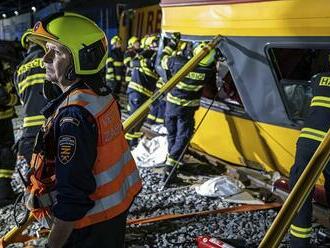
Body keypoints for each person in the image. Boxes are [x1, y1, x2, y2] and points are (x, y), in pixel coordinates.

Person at [26, 12, 142, 248]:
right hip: (113, 213)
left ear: (82, 58)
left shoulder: (73, 116)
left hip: (87, 225)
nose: (44, 59)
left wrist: (53, 244)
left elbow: (73, 199)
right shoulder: (101, 96)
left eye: (56, 52)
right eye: (45, 50)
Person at [160, 37, 216, 182]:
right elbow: (212, 91)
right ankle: (170, 167)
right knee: (183, 137)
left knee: (172, 135)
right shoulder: (208, 71)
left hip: (171, 106)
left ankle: (172, 167)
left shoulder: (178, 62)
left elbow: (161, 60)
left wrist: (171, 44)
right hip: (187, 110)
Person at [289, 73, 330, 247]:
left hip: (307, 141)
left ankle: (299, 244)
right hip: (327, 142)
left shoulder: (318, 78)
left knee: (300, 193)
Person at [13, 29, 48, 166]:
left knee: (38, 178)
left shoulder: (18, 70)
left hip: (29, 133)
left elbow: (22, 100)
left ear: (27, 45)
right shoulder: (49, 59)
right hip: (51, 126)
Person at [125, 35, 159, 147]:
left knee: (140, 121)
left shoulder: (156, 57)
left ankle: (132, 143)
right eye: (154, 43)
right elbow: (132, 62)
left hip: (146, 95)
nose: (156, 46)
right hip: (137, 92)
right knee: (134, 119)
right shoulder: (145, 55)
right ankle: (124, 144)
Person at [0, 59, 18, 206]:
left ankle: (6, 192)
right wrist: (14, 99)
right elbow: (5, 98)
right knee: (7, 155)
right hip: (3, 121)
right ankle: (4, 194)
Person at [105, 35, 124, 100]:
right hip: (112, 80)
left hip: (118, 80)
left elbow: (121, 67)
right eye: (118, 43)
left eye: (120, 42)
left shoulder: (120, 53)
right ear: (114, 43)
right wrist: (112, 79)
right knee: (111, 97)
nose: (120, 44)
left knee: (116, 96)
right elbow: (109, 66)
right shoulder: (111, 53)